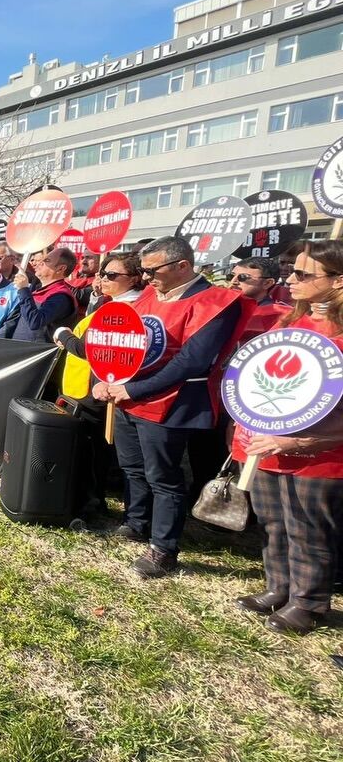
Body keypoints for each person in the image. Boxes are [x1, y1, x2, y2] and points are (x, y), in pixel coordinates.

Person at [93, 236, 250, 578]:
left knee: (163, 476)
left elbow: (192, 361)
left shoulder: (218, 303)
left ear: (183, 266)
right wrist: (107, 377)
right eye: (144, 270)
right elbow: (121, 342)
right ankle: (136, 522)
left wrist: (130, 388)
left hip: (170, 402)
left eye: (152, 270)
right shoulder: (150, 294)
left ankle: (164, 548)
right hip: (128, 397)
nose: (146, 277)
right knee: (132, 467)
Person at [232, 240, 343, 634]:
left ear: (339, 281)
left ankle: (308, 602)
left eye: (303, 274)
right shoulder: (288, 321)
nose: (289, 279)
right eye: (291, 271)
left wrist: (300, 442)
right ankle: (278, 587)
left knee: (308, 529)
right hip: (265, 446)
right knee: (273, 523)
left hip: (319, 456)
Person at [54, 252, 145, 512]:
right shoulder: (111, 302)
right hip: (87, 384)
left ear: (135, 278)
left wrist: (64, 335)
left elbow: (93, 349)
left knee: (97, 450)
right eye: (103, 273)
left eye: (112, 275)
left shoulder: (127, 308)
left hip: (101, 389)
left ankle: (93, 499)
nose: (104, 279)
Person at [0, 248, 79, 342]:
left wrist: (24, 289)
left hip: (37, 353)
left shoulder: (61, 296)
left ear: (61, 268)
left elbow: (35, 322)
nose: (40, 263)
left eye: (47, 260)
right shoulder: (38, 289)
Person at [230, 257, 292, 343]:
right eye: (231, 275)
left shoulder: (279, 316)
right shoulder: (222, 307)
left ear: (267, 283)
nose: (233, 281)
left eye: (243, 277)